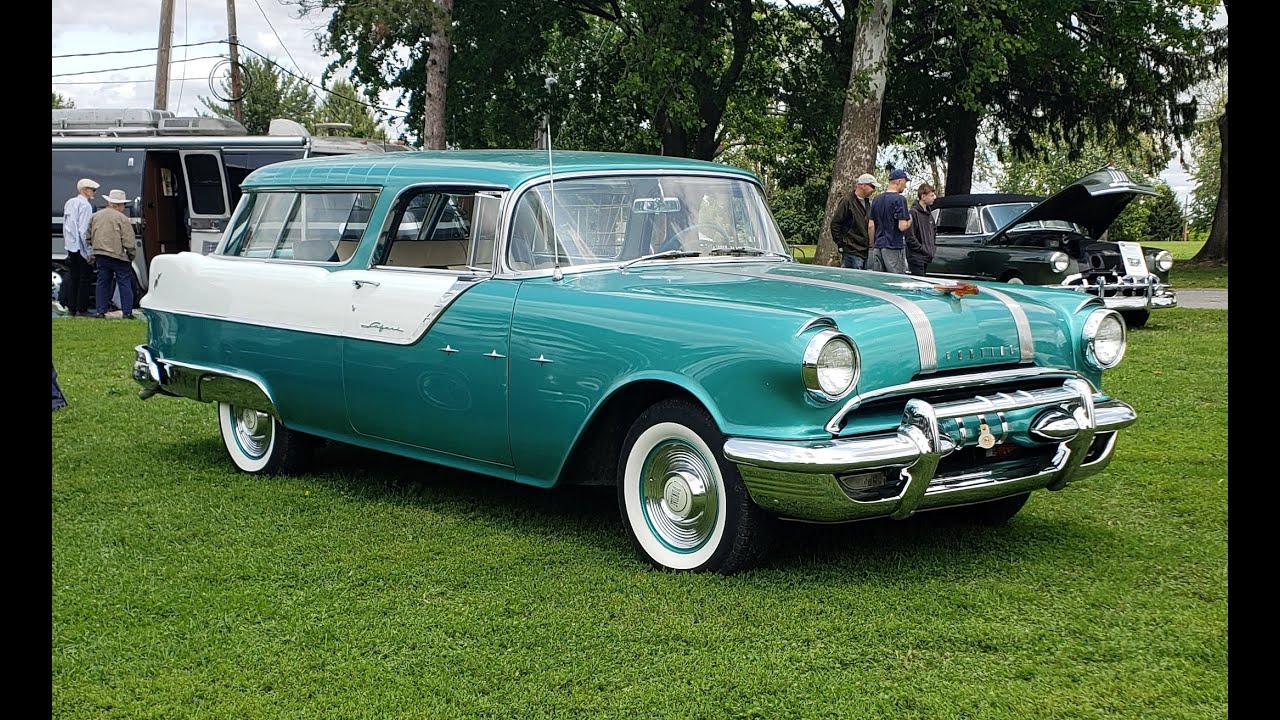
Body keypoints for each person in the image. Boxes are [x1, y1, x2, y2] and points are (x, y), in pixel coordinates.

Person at [87, 189, 138, 320]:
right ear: (120, 205)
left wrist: (95, 248)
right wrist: (131, 255)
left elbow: (88, 236)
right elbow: (128, 241)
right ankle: (127, 312)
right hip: (118, 255)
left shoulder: (95, 216)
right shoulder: (122, 219)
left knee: (102, 282)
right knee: (124, 283)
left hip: (100, 254)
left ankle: (100, 311)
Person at [61, 178, 99, 316]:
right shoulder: (86, 206)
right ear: (85, 190)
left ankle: (72, 308)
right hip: (81, 247)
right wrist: (89, 251)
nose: (94, 192)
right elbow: (83, 230)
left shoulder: (70, 203)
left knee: (74, 277)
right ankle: (82, 308)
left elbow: (67, 226)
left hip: (71, 246)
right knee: (85, 278)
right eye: (92, 190)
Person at [866, 168, 912, 274]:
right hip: (894, 246)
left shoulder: (876, 199)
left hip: (878, 246)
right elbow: (902, 226)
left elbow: (871, 225)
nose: (905, 186)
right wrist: (910, 220)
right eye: (905, 183)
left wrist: (873, 243)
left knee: (879, 278)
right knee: (896, 279)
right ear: (899, 181)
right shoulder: (900, 199)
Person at [829, 173, 877, 269]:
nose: (874, 190)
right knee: (853, 276)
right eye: (872, 186)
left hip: (864, 251)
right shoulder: (847, 201)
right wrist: (841, 244)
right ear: (863, 186)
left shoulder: (868, 203)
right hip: (851, 251)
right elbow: (835, 224)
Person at [905, 183, 938, 276]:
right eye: (931, 195)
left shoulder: (929, 214)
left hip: (926, 257)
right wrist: (922, 249)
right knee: (918, 282)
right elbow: (910, 236)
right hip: (916, 257)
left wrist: (931, 248)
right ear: (923, 197)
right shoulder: (913, 213)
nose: (934, 197)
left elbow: (933, 231)